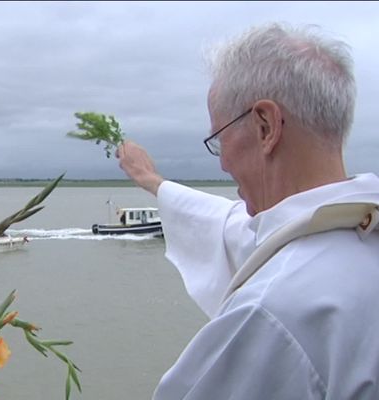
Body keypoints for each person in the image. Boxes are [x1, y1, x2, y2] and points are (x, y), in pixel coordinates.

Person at [117, 23, 379, 399]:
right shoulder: (359, 234)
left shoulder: (273, 314)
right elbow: (237, 227)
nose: (222, 162)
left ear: (265, 126)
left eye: (219, 138)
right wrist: (153, 181)